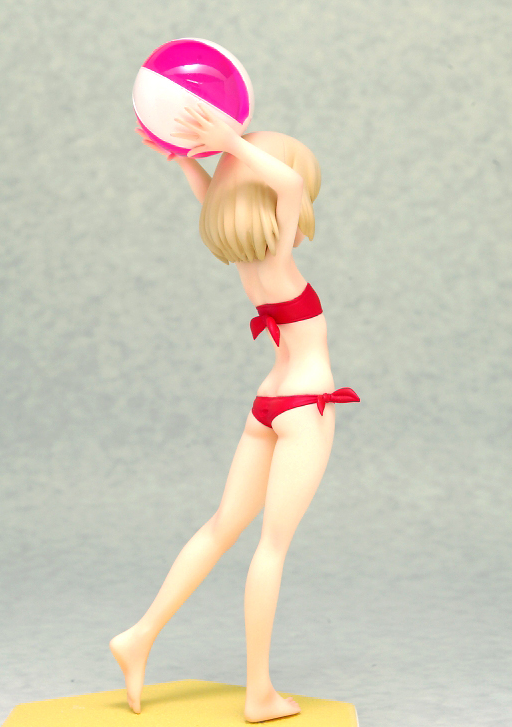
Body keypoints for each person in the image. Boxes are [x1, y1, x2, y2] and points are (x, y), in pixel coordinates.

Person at [110, 104, 359, 723]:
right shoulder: (278, 260)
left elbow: (216, 201)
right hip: (303, 406)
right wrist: (231, 144)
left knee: (221, 526)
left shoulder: (250, 263)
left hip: (266, 404)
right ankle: (259, 693)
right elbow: (290, 184)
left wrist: (190, 160)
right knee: (271, 547)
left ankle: (138, 635)